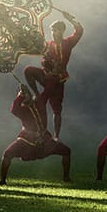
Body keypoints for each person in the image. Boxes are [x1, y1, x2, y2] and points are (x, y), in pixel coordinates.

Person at [23, 11, 83, 139]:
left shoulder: (68, 43)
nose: (53, 33)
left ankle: (56, 136)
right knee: (28, 70)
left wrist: (70, 19)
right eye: (52, 31)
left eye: (56, 30)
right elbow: (43, 59)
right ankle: (36, 94)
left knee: (56, 109)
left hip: (58, 80)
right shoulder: (48, 45)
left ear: (62, 31)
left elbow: (79, 31)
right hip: (46, 77)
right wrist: (47, 66)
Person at [0, 84, 71, 185]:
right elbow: (14, 110)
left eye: (27, 95)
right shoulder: (22, 110)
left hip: (44, 140)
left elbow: (46, 93)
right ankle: (2, 180)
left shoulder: (39, 103)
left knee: (66, 151)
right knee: (7, 154)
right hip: (26, 140)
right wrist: (20, 95)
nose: (26, 97)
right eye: (23, 96)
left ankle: (66, 178)